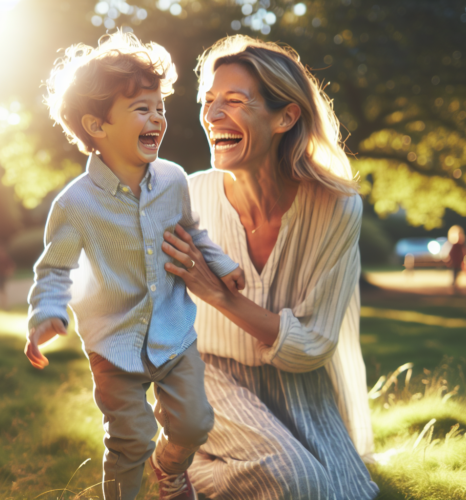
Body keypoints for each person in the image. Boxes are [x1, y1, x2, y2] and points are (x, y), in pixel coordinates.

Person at [25, 32, 244, 500]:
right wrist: (46, 314)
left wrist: (221, 264)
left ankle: (170, 468)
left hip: (173, 330)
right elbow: (55, 269)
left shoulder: (173, 180)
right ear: (97, 126)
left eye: (159, 108)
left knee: (194, 423)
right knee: (130, 441)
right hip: (113, 342)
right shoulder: (76, 204)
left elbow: (193, 233)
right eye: (142, 109)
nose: (157, 118)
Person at [160, 36, 379, 499]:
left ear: (286, 116)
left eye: (234, 101)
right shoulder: (186, 195)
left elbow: (313, 345)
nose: (213, 115)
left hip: (296, 385)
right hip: (205, 377)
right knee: (295, 481)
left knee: (342, 493)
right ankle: (171, 467)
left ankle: (197, 468)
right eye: (209, 101)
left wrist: (220, 295)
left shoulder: (336, 207)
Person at [443, 225, 466, 293]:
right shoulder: (453, 244)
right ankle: (454, 286)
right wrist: (448, 259)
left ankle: (455, 286)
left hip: (459, 261)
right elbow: (448, 253)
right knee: (454, 274)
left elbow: (465, 251)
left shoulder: (461, 244)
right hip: (454, 262)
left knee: (457, 274)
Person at [0, 242, 16, 310]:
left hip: (3, 275)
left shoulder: (4, 257)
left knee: (2, 289)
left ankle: (5, 304)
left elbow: (11, 266)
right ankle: (2, 303)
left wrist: (10, 272)